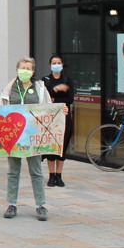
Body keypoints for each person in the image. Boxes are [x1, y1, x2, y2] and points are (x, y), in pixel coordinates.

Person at [0, 57, 67, 221]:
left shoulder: (40, 88)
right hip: (13, 137)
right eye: (22, 68)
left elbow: (48, 107)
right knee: (13, 171)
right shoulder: (10, 88)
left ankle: (41, 205)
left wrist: (61, 112)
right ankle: (11, 203)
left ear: (33, 71)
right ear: (17, 69)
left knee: (36, 171)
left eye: (28, 68)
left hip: (33, 136)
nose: (25, 71)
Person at [41, 55, 74, 187]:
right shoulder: (45, 80)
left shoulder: (67, 80)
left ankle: (59, 175)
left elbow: (70, 99)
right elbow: (45, 98)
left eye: (59, 63)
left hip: (65, 117)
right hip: (50, 118)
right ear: (50, 65)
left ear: (62, 64)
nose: (56, 65)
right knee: (51, 146)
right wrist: (56, 89)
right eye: (54, 63)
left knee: (62, 146)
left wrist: (56, 99)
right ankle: (51, 175)